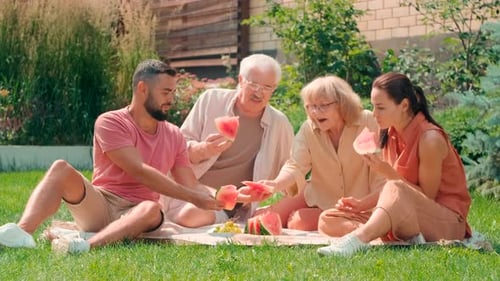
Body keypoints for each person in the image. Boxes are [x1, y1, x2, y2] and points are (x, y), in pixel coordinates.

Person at [0, 59, 225, 254]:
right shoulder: (111, 122)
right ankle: (21, 233)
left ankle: (87, 245)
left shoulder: (174, 134)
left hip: (139, 213)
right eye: (166, 92)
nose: (171, 99)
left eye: (173, 92)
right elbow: (138, 170)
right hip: (101, 203)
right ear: (143, 88)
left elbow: (191, 184)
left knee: (151, 208)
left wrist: (226, 196)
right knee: (60, 168)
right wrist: (192, 197)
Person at [317, 72, 472, 256]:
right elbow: (396, 192)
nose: (374, 114)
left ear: (404, 105)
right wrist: (361, 204)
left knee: (394, 186)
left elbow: (425, 196)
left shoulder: (430, 139)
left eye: (381, 108)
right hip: (407, 215)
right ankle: (387, 232)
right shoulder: (390, 133)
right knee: (327, 219)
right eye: (373, 107)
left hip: (445, 223)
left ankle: (358, 240)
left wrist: (388, 173)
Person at [160, 54, 294, 227]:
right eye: (253, 84)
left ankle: (221, 218)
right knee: (189, 213)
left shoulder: (279, 123)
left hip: (233, 206)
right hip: (191, 192)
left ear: (274, 88)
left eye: (267, 87)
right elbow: (177, 149)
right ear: (240, 79)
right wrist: (204, 149)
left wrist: (272, 187)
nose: (258, 92)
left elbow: (291, 168)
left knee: (191, 216)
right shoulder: (211, 100)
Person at [255, 75, 385, 231]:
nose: (316, 112)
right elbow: (295, 165)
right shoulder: (308, 129)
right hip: (319, 196)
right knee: (261, 218)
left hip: (363, 205)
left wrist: (375, 205)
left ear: (342, 103)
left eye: (323, 105)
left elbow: (383, 173)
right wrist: (275, 185)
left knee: (297, 222)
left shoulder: (369, 121)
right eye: (310, 106)